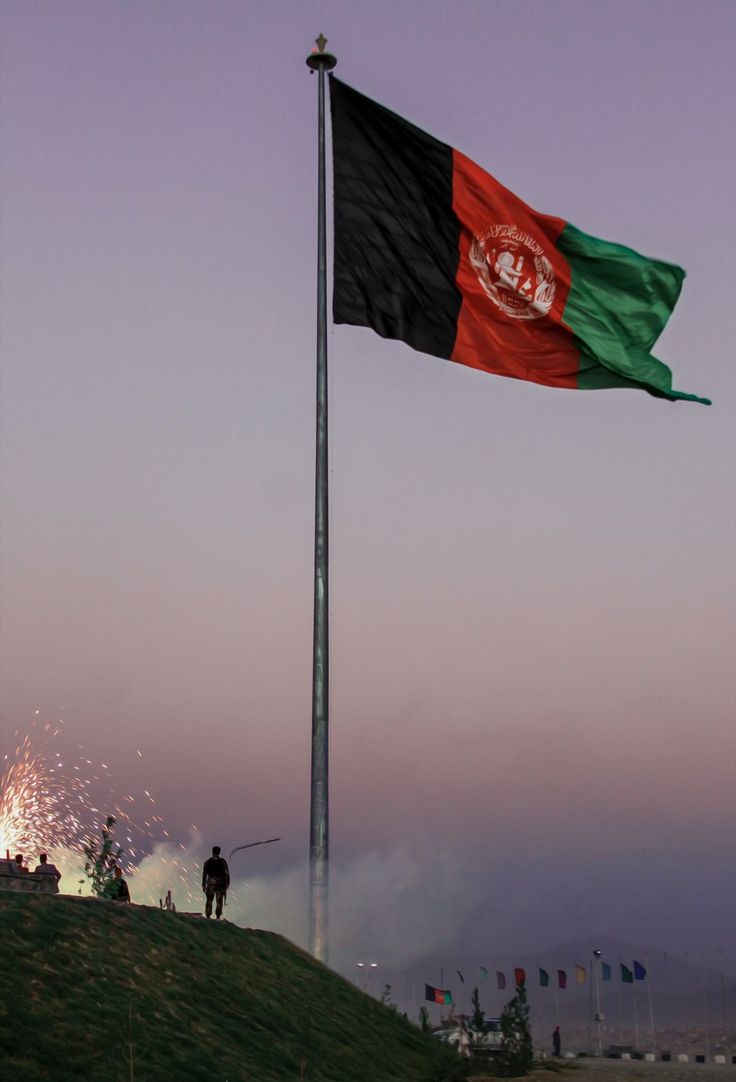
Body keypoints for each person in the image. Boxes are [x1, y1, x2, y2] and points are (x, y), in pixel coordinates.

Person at [201, 845, 230, 919]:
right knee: (219, 901)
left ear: (212, 852)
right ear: (219, 852)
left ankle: (208, 916)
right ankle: (218, 917)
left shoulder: (207, 862)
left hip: (210, 883)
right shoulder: (223, 862)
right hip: (220, 884)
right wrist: (227, 884)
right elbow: (226, 873)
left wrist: (203, 885)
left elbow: (204, 875)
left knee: (209, 900)